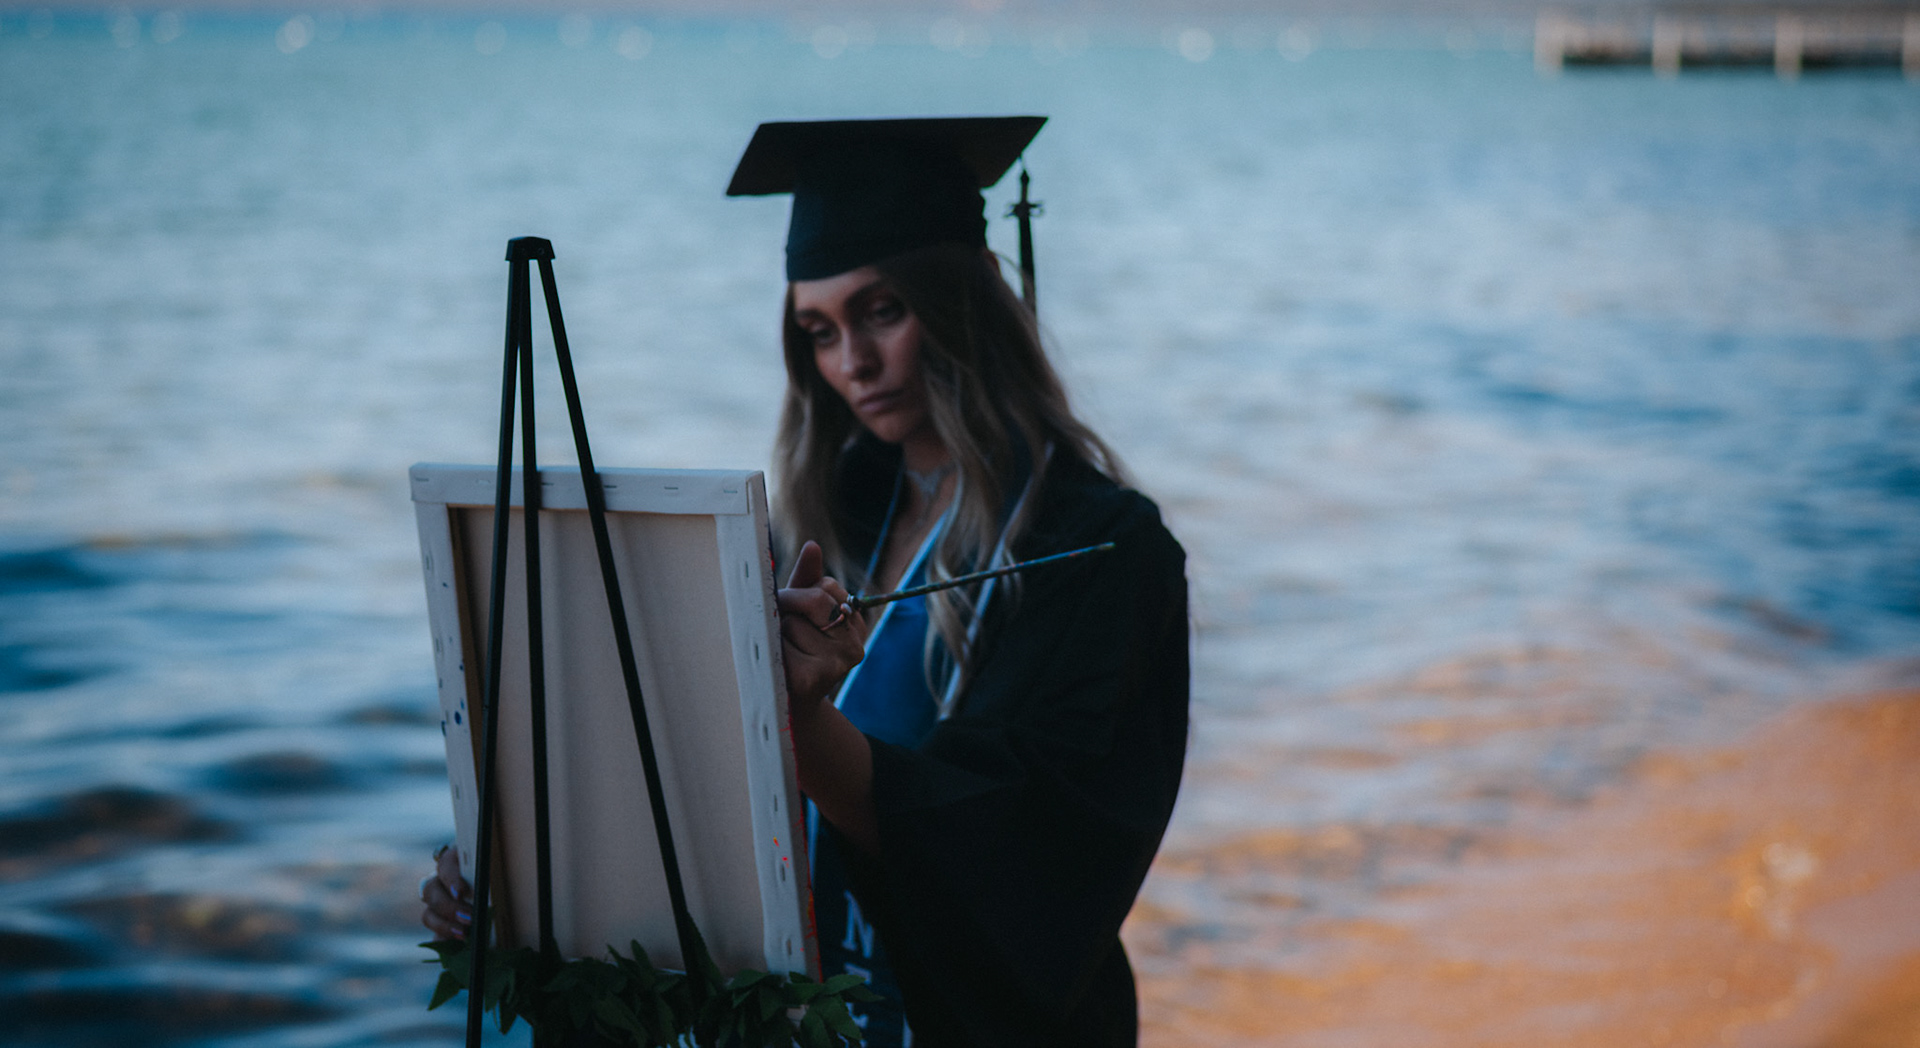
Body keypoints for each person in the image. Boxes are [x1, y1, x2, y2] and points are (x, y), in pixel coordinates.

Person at [421, 117, 1189, 1048]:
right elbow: (695, 789)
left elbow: (1030, 851)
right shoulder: (813, 523)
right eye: (818, 332)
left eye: (882, 311)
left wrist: (800, 722)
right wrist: (532, 871)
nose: (851, 364)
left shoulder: (1100, 549)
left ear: (964, 300)